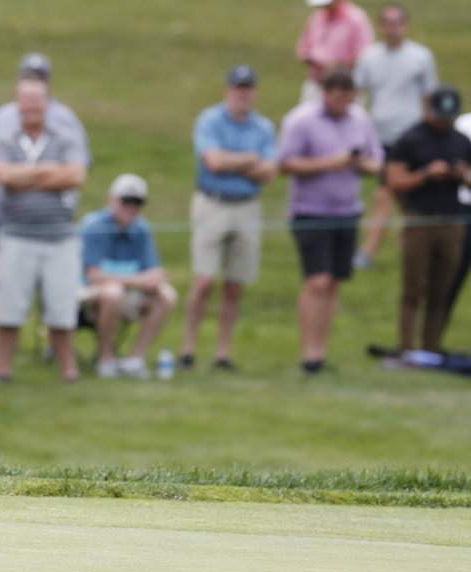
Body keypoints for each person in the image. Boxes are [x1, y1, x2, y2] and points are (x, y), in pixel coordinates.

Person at [279, 69, 383, 374]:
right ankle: (308, 354)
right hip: (311, 211)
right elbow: (286, 162)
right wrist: (331, 162)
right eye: (336, 96)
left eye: (347, 97)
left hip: (347, 211)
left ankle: (321, 353)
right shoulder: (300, 120)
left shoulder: (361, 119)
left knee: (334, 283)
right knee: (317, 281)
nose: (341, 102)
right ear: (325, 93)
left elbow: (376, 162)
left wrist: (357, 162)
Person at [0, 77, 89, 384]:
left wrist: (26, 178)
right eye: (26, 99)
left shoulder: (66, 136)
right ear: (18, 103)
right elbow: (3, 175)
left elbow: (76, 175)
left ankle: (68, 370)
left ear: (47, 103)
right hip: (15, 234)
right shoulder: (4, 137)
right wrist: (50, 172)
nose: (31, 105)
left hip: (60, 237)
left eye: (37, 99)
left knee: (61, 307)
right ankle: (4, 370)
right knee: (8, 307)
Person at [182, 64, 279, 371]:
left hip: (247, 206)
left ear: (255, 92)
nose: (243, 94)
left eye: (248, 88)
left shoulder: (264, 127)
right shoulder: (210, 120)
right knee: (204, 281)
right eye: (238, 88)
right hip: (213, 203)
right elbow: (212, 161)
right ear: (228, 90)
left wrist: (232, 161)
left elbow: (269, 172)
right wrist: (250, 159)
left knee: (235, 284)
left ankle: (222, 353)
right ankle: (189, 348)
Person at [0, 53, 89, 280]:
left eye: (40, 77)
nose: (34, 81)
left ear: (49, 83)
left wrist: (21, 179)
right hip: (3, 221)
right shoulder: (0, 118)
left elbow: (76, 174)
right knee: (5, 289)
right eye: (28, 76)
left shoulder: (67, 119)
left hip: (55, 225)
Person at [384, 86, 471, 355]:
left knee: (441, 288)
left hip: (452, 221)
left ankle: (432, 349)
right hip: (419, 219)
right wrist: (425, 174)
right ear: (428, 107)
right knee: (414, 287)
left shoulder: (461, 141)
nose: (443, 119)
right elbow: (394, 181)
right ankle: (407, 348)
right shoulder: (411, 139)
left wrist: (460, 174)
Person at [354, 3, 438, 269]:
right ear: (381, 26)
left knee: (408, 197)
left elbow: (430, 98)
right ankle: (370, 252)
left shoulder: (421, 57)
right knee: (386, 194)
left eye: (397, 22)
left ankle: (416, 247)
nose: (392, 28)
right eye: (387, 22)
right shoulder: (369, 57)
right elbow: (358, 94)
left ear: (405, 25)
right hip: (383, 138)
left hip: (412, 139)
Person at [79, 174, 176, 379]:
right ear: (112, 200)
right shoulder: (93, 225)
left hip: (128, 293)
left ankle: (135, 360)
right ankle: (105, 360)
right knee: (113, 292)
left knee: (166, 294)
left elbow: (152, 270)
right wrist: (139, 280)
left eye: (137, 202)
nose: (131, 207)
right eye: (126, 201)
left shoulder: (142, 228)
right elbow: (95, 276)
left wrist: (154, 280)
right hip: (86, 296)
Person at [295, 0, 373, 108]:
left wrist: (335, 67)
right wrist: (314, 61)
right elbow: (303, 49)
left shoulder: (356, 19)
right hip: (317, 85)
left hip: (344, 88)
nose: (324, 6)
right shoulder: (316, 18)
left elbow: (363, 56)